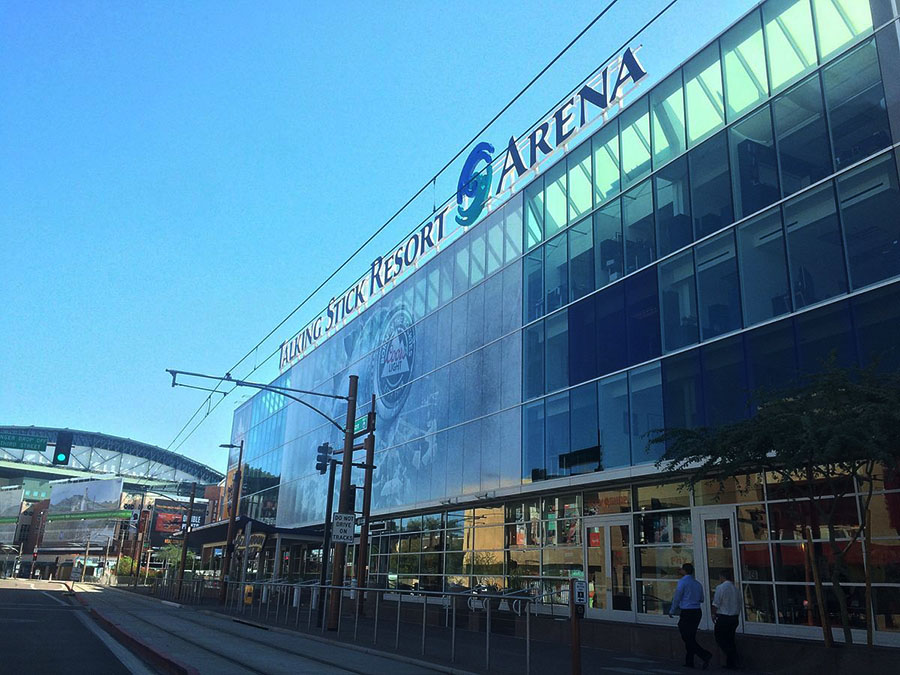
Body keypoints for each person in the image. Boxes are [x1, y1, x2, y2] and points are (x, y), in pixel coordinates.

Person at [669, 562, 712, 670]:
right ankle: (689, 661)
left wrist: (672, 610)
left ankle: (704, 654)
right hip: (697, 611)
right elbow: (701, 599)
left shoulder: (682, 582)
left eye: (681, 569)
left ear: (684, 570)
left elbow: (677, 597)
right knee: (691, 636)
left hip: (687, 611)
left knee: (686, 636)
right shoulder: (697, 583)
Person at [712, 569, 742, 670]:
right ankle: (731, 663)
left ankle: (734, 658)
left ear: (722, 577)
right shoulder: (736, 589)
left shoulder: (721, 587)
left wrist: (713, 613)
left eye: (720, 577)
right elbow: (739, 603)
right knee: (730, 639)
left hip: (724, 617)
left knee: (720, 638)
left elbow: (716, 602)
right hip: (734, 618)